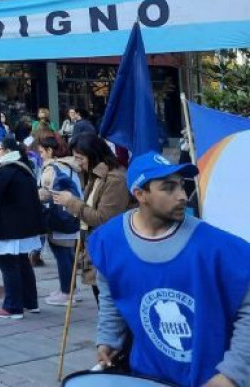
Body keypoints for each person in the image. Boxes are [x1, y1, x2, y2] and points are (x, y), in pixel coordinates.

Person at [89, 152, 250, 387]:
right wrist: (108, 339)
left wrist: (233, 373)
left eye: (182, 186)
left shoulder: (218, 247)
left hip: (210, 379)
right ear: (140, 194)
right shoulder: (109, 241)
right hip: (146, 376)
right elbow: (112, 295)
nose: (183, 196)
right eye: (168, 188)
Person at [52, 132, 132, 302]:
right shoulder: (96, 175)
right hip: (96, 246)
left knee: (109, 304)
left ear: (94, 155)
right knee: (101, 300)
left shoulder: (115, 179)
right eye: (76, 158)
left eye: (81, 158)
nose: (78, 164)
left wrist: (72, 202)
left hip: (111, 251)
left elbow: (103, 218)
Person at [0, 137, 44, 319]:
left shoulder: (4, 170)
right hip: (23, 225)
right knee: (21, 262)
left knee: (8, 264)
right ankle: (30, 302)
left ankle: (13, 307)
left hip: (6, 226)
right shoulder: (24, 167)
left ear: (6, 151)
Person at [34, 134, 84, 307]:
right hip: (73, 214)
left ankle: (66, 293)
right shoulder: (70, 165)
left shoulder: (52, 168)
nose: (40, 155)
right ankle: (70, 288)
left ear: (49, 150)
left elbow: (46, 193)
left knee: (62, 254)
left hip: (58, 216)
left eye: (41, 152)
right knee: (67, 254)